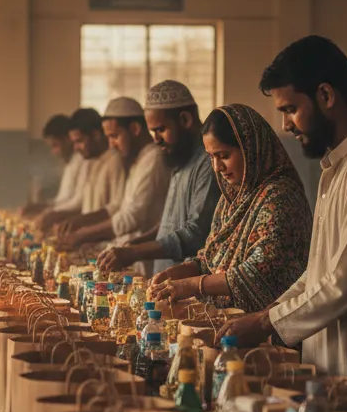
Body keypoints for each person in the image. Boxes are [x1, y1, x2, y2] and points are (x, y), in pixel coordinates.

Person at [219, 35, 347, 395]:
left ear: (326, 96)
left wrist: (267, 322)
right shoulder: (338, 167)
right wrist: (269, 314)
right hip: (333, 364)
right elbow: (319, 273)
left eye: (290, 109)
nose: (285, 125)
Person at [148, 104, 310, 312]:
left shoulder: (281, 197)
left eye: (223, 156)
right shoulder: (232, 198)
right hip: (227, 324)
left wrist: (191, 285)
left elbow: (258, 272)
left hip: (266, 329)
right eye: (211, 157)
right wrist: (180, 272)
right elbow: (212, 257)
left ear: (250, 149)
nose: (217, 167)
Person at [96, 80, 220, 276]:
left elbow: (196, 234)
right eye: (153, 131)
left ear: (185, 120)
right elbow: (171, 224)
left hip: (187, 289)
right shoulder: (180, 157)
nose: (155, 138)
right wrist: (137, 243)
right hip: (165, 283)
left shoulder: (208, 162)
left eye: (160, 129)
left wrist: (135, 252)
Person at [60, 97, 170, 263]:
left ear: (134, 129)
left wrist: (84, 234)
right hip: (129, 254)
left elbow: (132, 217)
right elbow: (120, 208)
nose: (111, 145)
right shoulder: (139, 160)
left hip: (144, 259)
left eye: (114, 136)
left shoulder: (153, 158)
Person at [39, 108, 125, 231]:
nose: (76, 148)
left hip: (104, 241)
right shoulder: (90, 162)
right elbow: (85, 206)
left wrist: (80, 222)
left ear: (96, 135)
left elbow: (117, 207)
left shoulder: (115, 161)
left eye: (79, 141)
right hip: (90, 240)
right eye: (74, 142)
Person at [23, 114, 86, 217]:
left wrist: (49, 213)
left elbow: (78, 203)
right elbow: (62, 200)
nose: (54, 152)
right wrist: (41, 207)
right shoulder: (70, 164)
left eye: (55, 145)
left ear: (68, 139)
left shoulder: (82, 162)